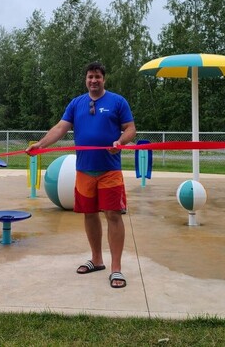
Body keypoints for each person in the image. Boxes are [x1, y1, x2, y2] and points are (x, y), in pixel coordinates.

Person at [27, 62, 136, 289]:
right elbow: (60, 128)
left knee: (113, 215)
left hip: (110, 170)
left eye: (97, 77)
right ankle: (97, 260)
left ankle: (116, 269)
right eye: (90, 77)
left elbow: (130, 129)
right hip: (84, 170)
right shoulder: (76, 104)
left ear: (103, 79)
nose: (93, 80)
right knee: (89, 214)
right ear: (85, 80)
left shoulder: (117, 101)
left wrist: (121, 141)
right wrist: (40, 144)